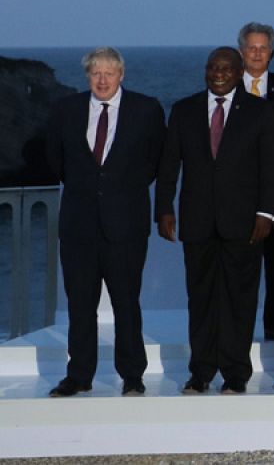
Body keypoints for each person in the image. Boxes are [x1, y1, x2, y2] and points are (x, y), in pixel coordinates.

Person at [155, 48, 274, 395]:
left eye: (226, 68)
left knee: (239, 300)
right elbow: (169, 165)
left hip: (244, 223)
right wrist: (164, 209)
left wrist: (266, 213)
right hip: (197, 221)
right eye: (213, 67)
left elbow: (272, 166)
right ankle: (200, 372)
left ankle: (235, 373)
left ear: (240, 72)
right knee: (200, 299)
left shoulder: (260, 111)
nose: (219, 73)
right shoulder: (184, 110)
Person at [44, 47, 166, 398]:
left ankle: (132, 375)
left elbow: (155, 161)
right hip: (78, 226)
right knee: (80, 305)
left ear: (121, 75)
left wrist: (119, 191)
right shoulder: (66, 109)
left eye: (109, 73)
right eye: (96, 73)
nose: (102, 80)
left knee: (126, 302)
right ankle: (79, 375)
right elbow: (55, 159)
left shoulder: (146, 109)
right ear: (87, 76)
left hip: (125, 225)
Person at [238, 22, 274, 342]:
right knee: (239, 275)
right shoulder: (225, 85)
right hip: (236, 199)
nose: (257, 54)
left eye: (263, 48)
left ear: (271, 53)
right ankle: (237, 336)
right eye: (251, 47)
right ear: (241, 51)